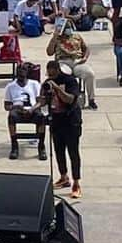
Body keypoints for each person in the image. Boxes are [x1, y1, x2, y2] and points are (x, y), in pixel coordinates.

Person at [44, 59, 83, 199]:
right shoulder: (47, 83)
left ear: (57, 70)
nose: (50, 76)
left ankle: (76, 183)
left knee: (73, 153)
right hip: (56, 121)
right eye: (48, 74)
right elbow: (43, 102)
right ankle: (63, 176)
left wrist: (56, 88)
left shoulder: (70, 81)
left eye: (52, 73)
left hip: (71, 121)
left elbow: (70, 99)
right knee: (58, 151)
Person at [46, 16, 97, 109]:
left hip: (77, 61)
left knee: (90, 74)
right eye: (66, 28)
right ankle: (64, 98)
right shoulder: (57, 38)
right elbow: (49, 52)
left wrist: (85, 58)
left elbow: (86, 48)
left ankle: (91, 100)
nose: (68, 29)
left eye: (69, 27)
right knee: (63, 73)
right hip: (63, 61)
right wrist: (54, 38)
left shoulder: (77, 36)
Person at [4, 62, 46, 160]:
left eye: (23, 72)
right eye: (19, 73)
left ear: (27, 73)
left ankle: (41, 146)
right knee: (11, 117)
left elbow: (41, 101)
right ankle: (14, 145)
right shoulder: (10, 86)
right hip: (18, 110)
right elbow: (6, 105)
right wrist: (15, 106)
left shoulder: (34, 84)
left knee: (41, 117)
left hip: (32, 109)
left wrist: (32, 109)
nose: (21, 75)